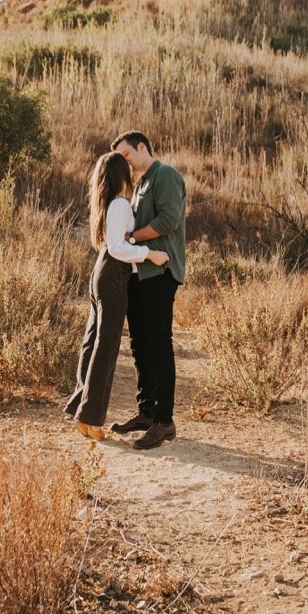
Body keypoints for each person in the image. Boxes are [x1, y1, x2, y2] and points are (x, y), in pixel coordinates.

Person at [63, 151, 169, 441]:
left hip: (101, 273)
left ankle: (82, 412)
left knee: (92, 342)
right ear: (121, 175)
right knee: (105, 347)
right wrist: (151, 254)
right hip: (113, 275)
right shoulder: (121, 204)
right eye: (128, 170)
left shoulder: (105, 203)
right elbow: (117, 247)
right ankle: (92, 418)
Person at [108, 131, 186, 450]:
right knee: (140, 344)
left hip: (160, 271)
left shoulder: (164, 175)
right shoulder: (140, 184)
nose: (124, 162)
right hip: (141, 274)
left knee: (158, 343)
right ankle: (146, 411)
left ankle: (164, 421)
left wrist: (132, 239)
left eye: (126, 155)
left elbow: (168, 219)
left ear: (142, 147)